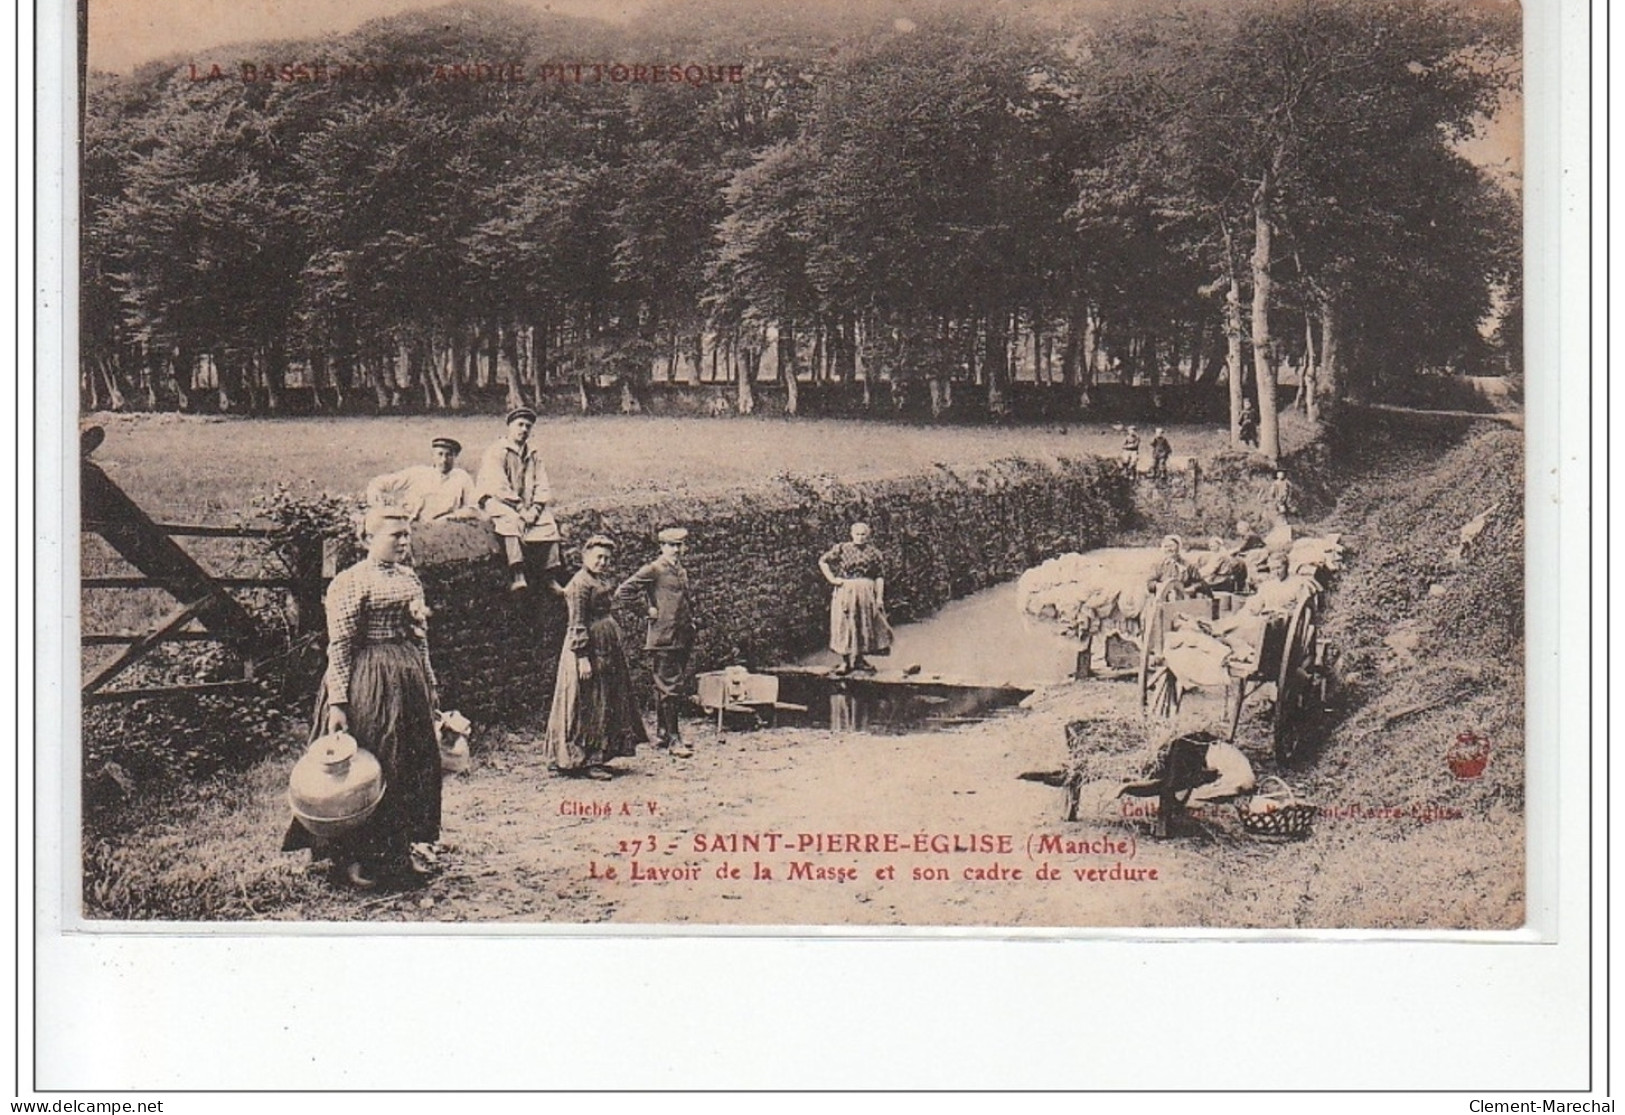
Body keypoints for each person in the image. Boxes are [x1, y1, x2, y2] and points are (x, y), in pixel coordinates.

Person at [283, 508, 441, 889]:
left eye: (407, 535)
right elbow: (340, 646)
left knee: (408, 761)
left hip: (406, 678)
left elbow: (420, 638)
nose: (404, 542)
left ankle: (399, 852)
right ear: (368, 540)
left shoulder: (409, 578)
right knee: (367, 765)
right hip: (366, 679)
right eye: (394, 536)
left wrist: (430, 684)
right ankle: (351, 858)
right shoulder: (349, 582)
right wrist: (338, 701)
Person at [546, 536, 648, 780]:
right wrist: (582, 657)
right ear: (585, 557)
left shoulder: (597, 579)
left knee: (606, 698)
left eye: (606, 558)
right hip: (588, 648)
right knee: (589, 700)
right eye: (598, 557)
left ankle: (600, 755)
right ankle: (583, 758)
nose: (603, 562)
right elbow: (577, 622)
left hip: (605, 644)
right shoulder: (580, 584)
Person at [615, 526, 696, 758]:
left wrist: (692, 623)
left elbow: (684, 600)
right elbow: (624, 591)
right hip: (663, 637)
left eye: (680, 545)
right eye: (672, 545)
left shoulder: (680, 570)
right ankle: (673, 740)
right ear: (662, 547)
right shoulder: (654, 569)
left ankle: (662, 732)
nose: (677, 550)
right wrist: (647, 610)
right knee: (670, 687)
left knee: (670, 686)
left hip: (682, 636)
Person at [476, 407, 563, 593]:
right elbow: (498, 484)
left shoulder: (533, 453)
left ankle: (551, 576)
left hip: (527, 503)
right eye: (520, 425)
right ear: (510, 427)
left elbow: (542, 482)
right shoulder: (496, 451)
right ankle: (517, 573)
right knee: (511, 520)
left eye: (528, 426)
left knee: (549, 523)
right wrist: (520, 508)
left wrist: (537, 507)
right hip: (497, 500)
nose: (524, 430)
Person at [819, 522, 893, 676]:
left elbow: (879, 576)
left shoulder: (874, 553)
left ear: (868, 535)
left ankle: (859, 659)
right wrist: (832, 579)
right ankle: (845, 661)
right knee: (844, 623)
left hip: (866, 592)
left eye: (863, 534)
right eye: (857, 534)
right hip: (846, 590)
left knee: (863, 623)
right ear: (852, 534)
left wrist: (879, 597)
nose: (860, 537)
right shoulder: (842, 549)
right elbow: (823, 561)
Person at [366, 437, 481, 523]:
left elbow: (473, 508)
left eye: (449, 455)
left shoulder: (461, 477)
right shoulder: (418, 473)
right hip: (414, 526)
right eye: (440, 454)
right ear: (432, 456)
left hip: (446, 528)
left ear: (455, 456)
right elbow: (379, 483)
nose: (444, 460)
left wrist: (451, 517)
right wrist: (376, 497)